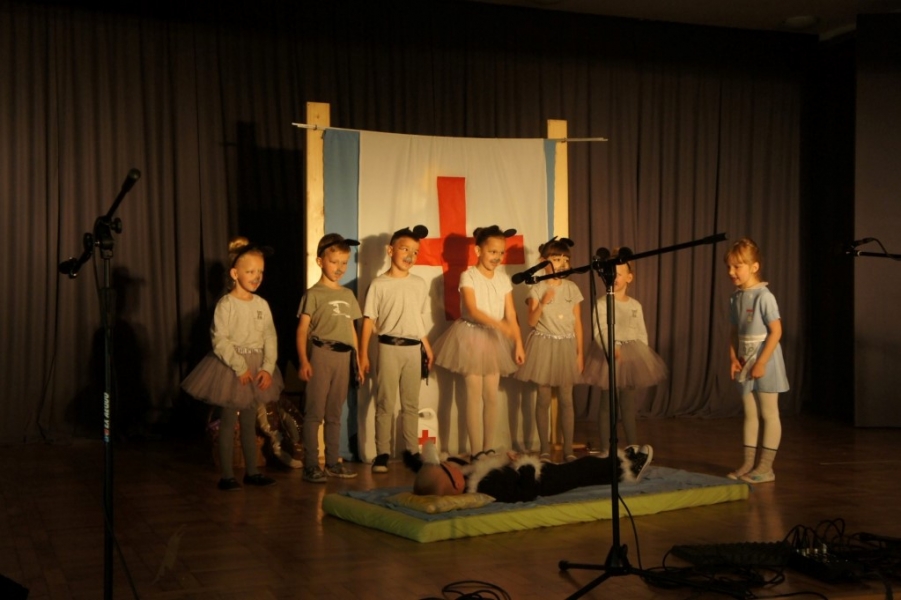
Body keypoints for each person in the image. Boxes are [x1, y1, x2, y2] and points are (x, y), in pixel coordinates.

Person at [182, 237, 282, 491]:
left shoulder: (262, 305)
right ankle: (227, 475)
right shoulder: (226, 304)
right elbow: (220, 339)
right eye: (251, 272)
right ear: (235, 274)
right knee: (228, 421)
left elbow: (270, 337)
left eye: (260, 272)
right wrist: (240, 366)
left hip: (256, 365)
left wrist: (267, 367)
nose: (257, 277)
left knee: (249, 421)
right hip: (232, 368)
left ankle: (252, 472)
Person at [432, 225, 526, 459]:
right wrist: (500, 326)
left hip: (494, 340)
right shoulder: (469, 276)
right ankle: (476, 451)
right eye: (492, 251)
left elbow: (511, 313)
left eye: (501, 253)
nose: (497, 257)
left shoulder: (503, 279)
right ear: (478, 251)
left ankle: (488, 447)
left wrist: (518, 341)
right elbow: (472, 310)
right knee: (473, 395)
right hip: (471, 336)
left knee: (491, 396)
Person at [360, 225, 434, 473]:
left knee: (411, 404)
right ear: (390, 250)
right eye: (405, 249)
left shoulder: (419, 284)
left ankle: (411, 451)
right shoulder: (379, 284)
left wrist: (427, 347)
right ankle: (382, 453)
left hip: (413, 349)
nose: (410, 255)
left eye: (415, 252)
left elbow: (417, 319)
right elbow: (369, 321)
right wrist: (363, 354)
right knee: (385, 402)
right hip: (388, 347)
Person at [582, 250, 667, 455]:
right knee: (607, 405)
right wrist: (612, 349)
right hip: (610, 357)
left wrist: (642, 356)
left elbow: (641, 332)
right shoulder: (602, 303)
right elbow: (600, 330)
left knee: (628, 405)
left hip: (631, 357)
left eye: (619, 273)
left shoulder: (635, 305)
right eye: (612, 273)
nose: (615, 277)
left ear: (629, 277)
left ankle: (633, 447)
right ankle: (606, 449)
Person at [296, 233, 364, 483]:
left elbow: (351, 330)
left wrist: (358, 360)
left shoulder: (347, 295)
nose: (339, 268)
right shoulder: (313, 294)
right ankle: (311, 465)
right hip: (321, 355)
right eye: (334, 262)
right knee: (314, 411)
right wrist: (304, 360)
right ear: (320, 261)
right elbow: (302, 330)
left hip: (343, 358)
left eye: (344, 263)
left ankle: (333, 462)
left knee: (335, 411)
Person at [725, 237, 789, 484]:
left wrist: (761, 362)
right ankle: (748, 463)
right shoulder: (736, 297)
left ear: (754, 266)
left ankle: (766, 467)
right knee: (750, 414)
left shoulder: (764, 296)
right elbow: (734, 331)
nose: (731, 272)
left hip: (765, 360)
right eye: (729, 267)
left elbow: (776, 331)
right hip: (745, 360)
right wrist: (733, 357)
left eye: (737, 266)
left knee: (769, 413)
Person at [514, 236, 584, 462]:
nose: (562, 263)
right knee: (543, 399)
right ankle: (544, 448)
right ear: (543, 261)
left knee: (566, 399)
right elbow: (531, 321)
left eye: (565, 259)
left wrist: (580, 353)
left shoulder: (572, 288)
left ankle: (568, 450)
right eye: (556, 258)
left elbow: (578, 323)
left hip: (566, 345)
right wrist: (543, 301)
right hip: (544, 345)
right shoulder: (537, 288)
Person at [403, 441, 653, 503]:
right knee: (583, 468)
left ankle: (615, 465)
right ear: (455, 484)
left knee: (583, 470)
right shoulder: (485, 488)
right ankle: (626, 468)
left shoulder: (470, 478)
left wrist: (505, 459)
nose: (450, 464)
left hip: (540, 472)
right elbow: (526, 493)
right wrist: (524, 465)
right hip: (544, 481)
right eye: (447, 467)